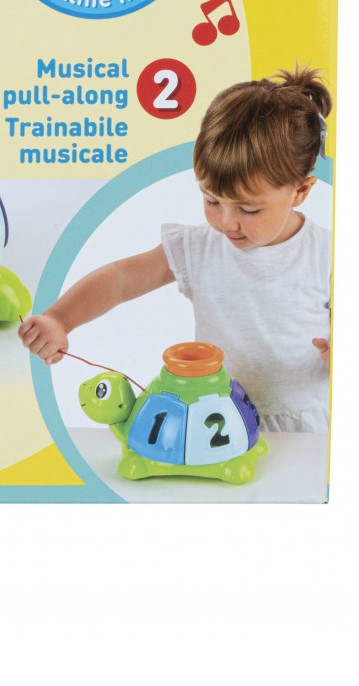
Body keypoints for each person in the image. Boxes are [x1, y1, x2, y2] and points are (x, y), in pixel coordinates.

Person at [18, 69, 332, 431]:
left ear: (300, 191)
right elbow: (120, 279)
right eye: (212, 200)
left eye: (248, 209)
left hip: (304, 432)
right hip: (214, 425)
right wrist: (60, 319)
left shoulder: (329, 255)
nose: (226, 221)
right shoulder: (198, 248)